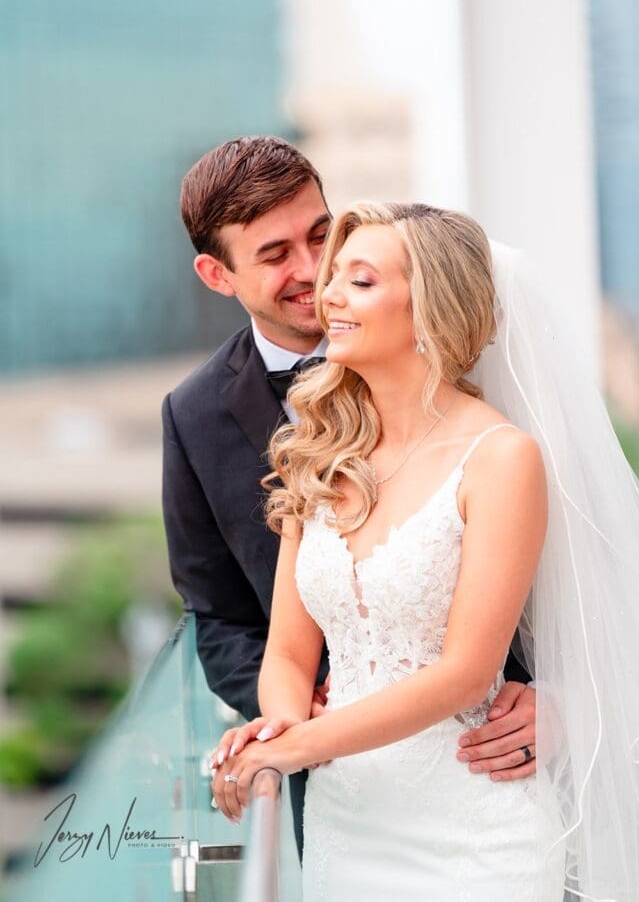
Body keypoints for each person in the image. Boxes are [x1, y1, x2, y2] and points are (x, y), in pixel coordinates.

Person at [210, 202, 639, 901]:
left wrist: (299, 745)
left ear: (430, 307)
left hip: (474, 837)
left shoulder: (499, 458)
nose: (327, 293)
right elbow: (286, 652)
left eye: (359, 280)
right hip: (347, 825)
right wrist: (273, 731)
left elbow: (466, 672)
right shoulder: (318, 452)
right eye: (334, 275)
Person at [162, 138, 537, 858]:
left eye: (320, 236)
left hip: (481, 773)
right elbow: (220, 613)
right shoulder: (203, 417)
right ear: (217, 274)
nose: (315, 275)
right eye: (275, 256)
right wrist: (289, 725)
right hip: (340, 798)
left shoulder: (490, 368)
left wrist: (564, 698)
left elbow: (592, 579)